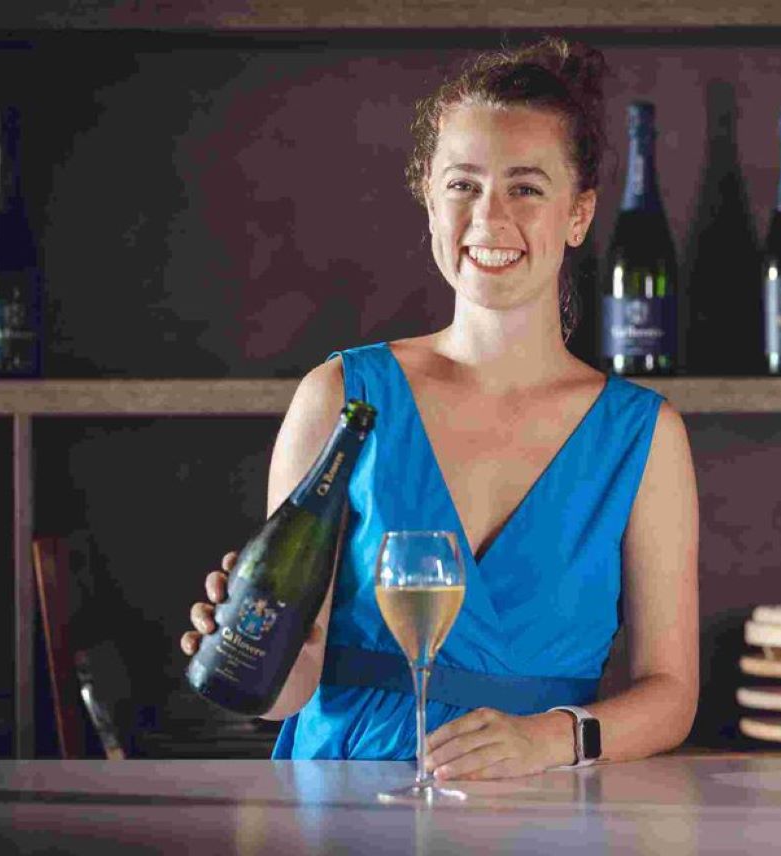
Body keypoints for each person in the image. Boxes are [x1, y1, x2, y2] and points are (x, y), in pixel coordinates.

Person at [180, 36, 699, 780]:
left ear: (579, 214)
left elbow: (671, 694)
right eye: (463, 185)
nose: (490, 217)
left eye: (526, 188)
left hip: (540, 809)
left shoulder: (643, 435)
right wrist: (249, 650)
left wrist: (544, 740)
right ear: (429, 200)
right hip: (349, 798)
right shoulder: (338, 396)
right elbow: (289, 694)